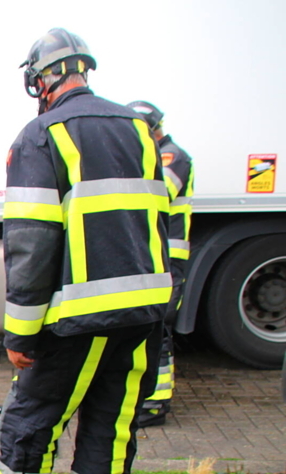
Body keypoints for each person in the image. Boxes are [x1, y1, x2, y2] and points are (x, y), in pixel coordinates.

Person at [0, 29, 171, 474]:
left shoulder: (39, 136)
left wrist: (20, 331)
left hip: (75, 319)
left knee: (34, 417)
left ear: (42, 79)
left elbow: (31, 243)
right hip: (142, 314)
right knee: (112, 423)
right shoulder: (140, 130)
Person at [127, 100, 194, 427]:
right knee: (149, 328)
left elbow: (156, 192)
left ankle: (156, 403)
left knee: (160, 329)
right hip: (152, 258)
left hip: (168, 259)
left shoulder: (172, 156)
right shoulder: (155, 153)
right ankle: (147, 395)